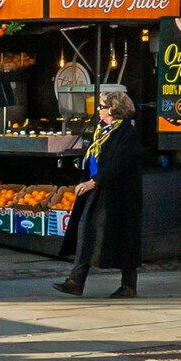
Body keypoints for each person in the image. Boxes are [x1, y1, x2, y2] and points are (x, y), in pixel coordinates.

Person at [52, 90, 141, 298]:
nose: (98, 110)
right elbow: (96, 156)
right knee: (85, 230)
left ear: (113, 109)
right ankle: (76, 280)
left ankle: (129, 285)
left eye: (101, 106)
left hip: (119, 195)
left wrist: (94, 181)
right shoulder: (102, 130)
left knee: (124, 236)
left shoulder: (127, 132)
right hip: (97, 188)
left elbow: (119, 163)